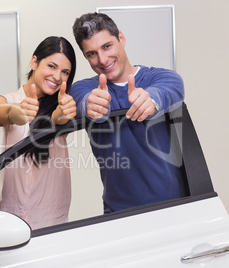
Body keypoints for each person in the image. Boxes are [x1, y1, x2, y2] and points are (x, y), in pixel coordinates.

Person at [70, 12, 186, 213]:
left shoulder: (159, 78)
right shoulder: (86, 89)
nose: (103, 59)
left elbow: (173, 88)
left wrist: (152, 99)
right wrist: (88, 105)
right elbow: (80, 101)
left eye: (107, 46)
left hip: (172, 206)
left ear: (121, 38)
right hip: (118, 212)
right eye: (92, 53)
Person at [0, 36, 77, 229]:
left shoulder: (64, 106)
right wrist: (14, 113)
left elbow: (60, 119)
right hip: (6, 223)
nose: (58, 77)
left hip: (50, 224)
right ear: (34, 62)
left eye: (65, 72)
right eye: (51, 66)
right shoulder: (4, 100)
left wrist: (57, 118)